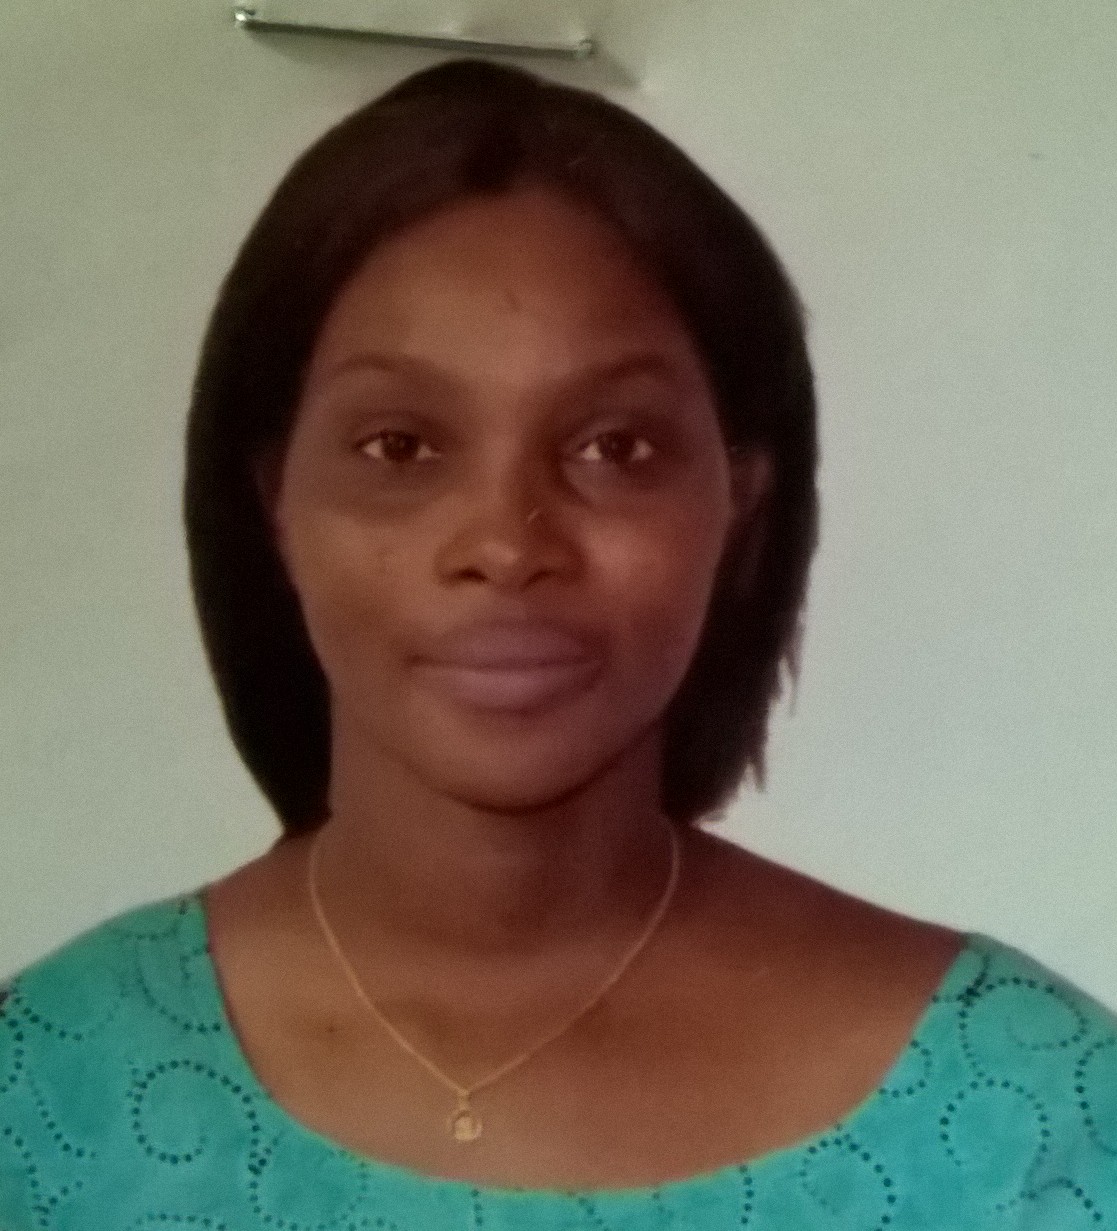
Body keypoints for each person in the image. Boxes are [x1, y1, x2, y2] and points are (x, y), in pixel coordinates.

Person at [1, 57, 1114, 1229]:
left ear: (739, 506)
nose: (506, 542)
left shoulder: (1033, 1121)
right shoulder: (43, 1100)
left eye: (614, 448)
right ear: (273, 499)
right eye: (399, 446)